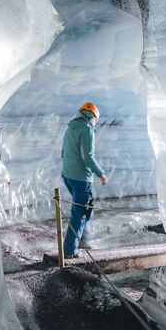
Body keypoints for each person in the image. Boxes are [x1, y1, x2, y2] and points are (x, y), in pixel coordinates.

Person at [60, 101, 107, 258]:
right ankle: (69, 251)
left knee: (86, 208)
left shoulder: (70, 128)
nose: (95, 123)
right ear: (92, 116)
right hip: (81, 179)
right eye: (96, 120)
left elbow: (63, 152)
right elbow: (88, 157)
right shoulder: (87, 130)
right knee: (79, 214)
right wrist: (100, 173)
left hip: (67, 176)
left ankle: (84, 239)